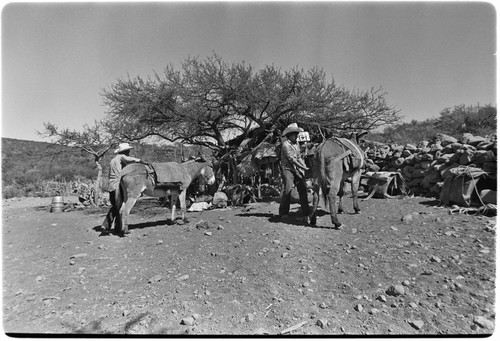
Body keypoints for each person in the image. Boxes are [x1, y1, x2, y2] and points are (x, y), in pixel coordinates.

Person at [101, 142, 142, 233]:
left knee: (117, 206)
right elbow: (129, 159)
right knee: (118, 206)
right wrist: (139, 160)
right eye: (128, 151)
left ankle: (117, 228)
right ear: (125, 151)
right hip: (117, 185)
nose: (129, 153)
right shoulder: (121, 157)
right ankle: (106, 226)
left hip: (111, 185)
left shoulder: (113, 160)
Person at [279, 123, 310, 221]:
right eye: (295, 134)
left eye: (297, 134)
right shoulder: (286, 145)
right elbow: (292, 159)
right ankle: (283, 212)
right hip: (287, 169)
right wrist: (303, 168)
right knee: (288, 189)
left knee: (303, 188)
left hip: (295, 168)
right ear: (290, 135)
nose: (297, 136)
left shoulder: (296, 143)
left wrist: (304, 166)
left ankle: (306, 212)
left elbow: (299, 157)